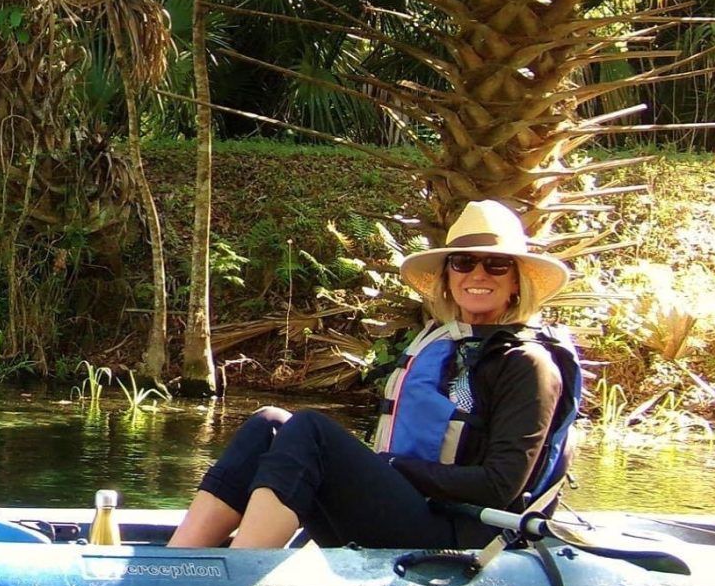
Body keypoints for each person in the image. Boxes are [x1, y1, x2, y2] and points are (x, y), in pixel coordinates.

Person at [168, 199, 571, 551]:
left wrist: (396, 466)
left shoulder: (528, 365)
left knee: (311, 429)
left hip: (463, 533)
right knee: (269, 423)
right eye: (464, 263)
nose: (478, 275)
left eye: (496, 265)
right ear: (449, 277)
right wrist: (392, 468)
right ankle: (175, 562)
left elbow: (500, 486)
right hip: (418, 509)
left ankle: (236, 577)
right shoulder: (452, 349)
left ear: (516, 282)